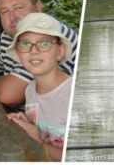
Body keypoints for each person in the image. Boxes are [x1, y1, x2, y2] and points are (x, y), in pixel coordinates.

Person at [5, 13, 74, 161]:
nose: (34, 51)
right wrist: (25, 123)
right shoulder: (30, 89)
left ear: (60, 52)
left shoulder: (71, 95)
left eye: (44, 43)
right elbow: (42, 126)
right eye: (25, 44)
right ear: (18, 52)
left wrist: (37, 138)